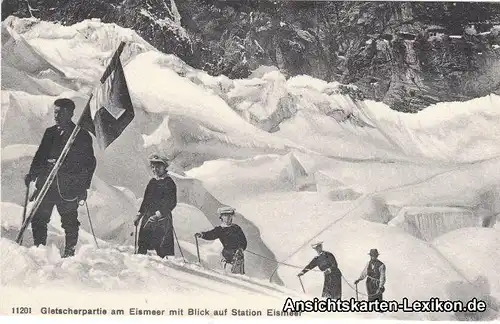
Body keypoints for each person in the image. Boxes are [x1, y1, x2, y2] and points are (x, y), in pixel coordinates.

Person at [24, 98, 96, 258]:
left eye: (60, 112)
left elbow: (89, 164)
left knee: (69, 222)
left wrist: (83, 186)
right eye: (55, 112)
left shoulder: (81, 135)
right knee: (38, 218)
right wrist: (32, 173)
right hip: (47, 184)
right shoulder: (50, 132)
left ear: (70, 113)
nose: (56, 115)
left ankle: (69, 253)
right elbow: (40, 156)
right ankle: (40, 250)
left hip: (69, 187)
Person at [134, 153, 177, 258]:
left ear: (164, 167)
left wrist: (157, 215)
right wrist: (139, 215)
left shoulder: (169, 183)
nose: (155, 169)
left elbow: (171, 202)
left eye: (158, 166)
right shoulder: (152, 182)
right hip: (148, 216)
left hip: (162, 218)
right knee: (143, 244)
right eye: (153, 167)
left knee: (161, 247)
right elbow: (146, 200)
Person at [195, 207, 247, 274]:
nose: (228, 218)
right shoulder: (220, 230)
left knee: (238, 275)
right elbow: (210, 234)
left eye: (230, 216)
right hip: (226, 255)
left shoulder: (237, 228)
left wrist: (241, 249)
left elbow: (243, 241)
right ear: (221, 217)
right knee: (229, 275)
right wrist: (201, 235)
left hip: (238, 256)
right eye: (225, 216)